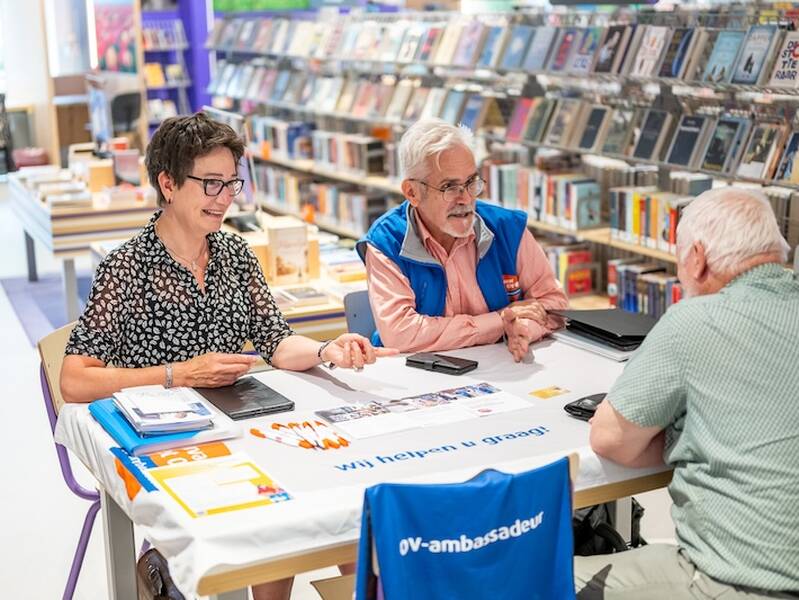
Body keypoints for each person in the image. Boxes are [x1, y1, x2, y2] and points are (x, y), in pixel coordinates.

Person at [60, 112, 394, 600]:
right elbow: (74, 379)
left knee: (338, 507)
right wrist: (178, 374)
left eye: (231, 184)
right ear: (168, 184)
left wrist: (327, 349)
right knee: (277, 512)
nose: (222, 199)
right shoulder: (126, 267)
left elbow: (276, 342)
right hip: (173, 444)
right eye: (209, 184)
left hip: (240, 426)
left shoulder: (235, 254)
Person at [575, 188, 799, 599]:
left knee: (544, 575)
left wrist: (684, 433)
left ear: (696, 258)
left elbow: (610, 439)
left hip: (742, 582)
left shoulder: (693, 322)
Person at [357, 118, 568, 362]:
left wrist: (523, 328)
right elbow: (401, 335)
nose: (466, 198)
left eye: (471, 183)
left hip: (501, 367)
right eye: (450, 187)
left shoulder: (507, 228)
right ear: (412, 192)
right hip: (413, 375)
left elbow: (555, 304)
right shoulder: (387, 241)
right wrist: (499, 320)